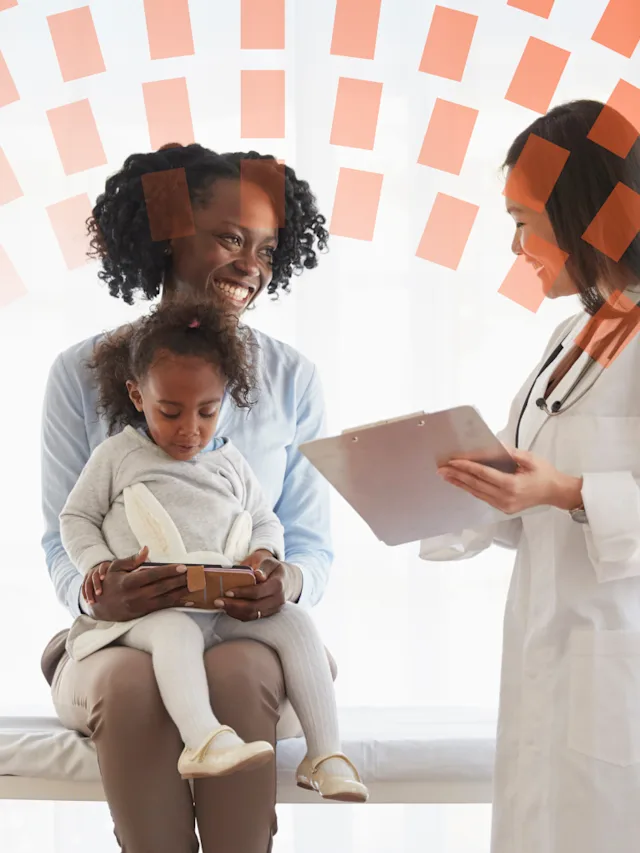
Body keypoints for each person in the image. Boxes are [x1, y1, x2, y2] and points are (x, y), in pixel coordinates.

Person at [40, 143, 335, 853]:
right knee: (133, 679)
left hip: (246, 639)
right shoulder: (79, 375)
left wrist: (281, 583)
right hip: (119, 641)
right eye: (231, 238)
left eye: (267, 248)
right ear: (170, 231)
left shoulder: (292, 379)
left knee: (239, 669)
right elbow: (61, 534)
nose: (251, 265)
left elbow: (313, 545)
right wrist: (95, 591)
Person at [420, 99, 640, 853]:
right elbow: (531, 485)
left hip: (619, 654)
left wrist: (566, 492)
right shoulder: (576, 333)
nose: (515, 243)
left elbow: (569, 489)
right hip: (551, 648)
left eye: (524, 218)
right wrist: (455, 482)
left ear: (581, 212)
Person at [59, 297, 367, 801]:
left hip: (219, 604)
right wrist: (96, 566)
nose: (190, 429)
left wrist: (266, 557)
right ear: (138, 396)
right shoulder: (118, 455)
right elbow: (75, 518)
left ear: (224, 398)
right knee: (176, 631)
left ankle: (325, 754)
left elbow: (265, 518)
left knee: (296, 622)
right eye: (170, 411)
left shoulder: (229, 461)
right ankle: (203, 739)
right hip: (148, 611)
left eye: (207, 411)